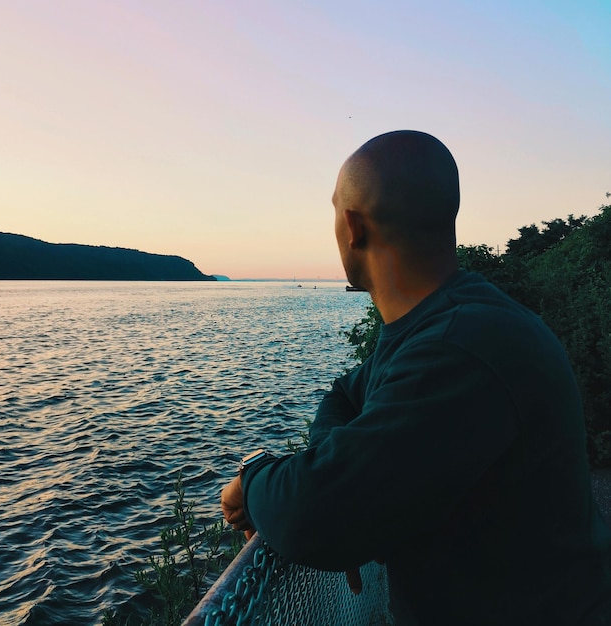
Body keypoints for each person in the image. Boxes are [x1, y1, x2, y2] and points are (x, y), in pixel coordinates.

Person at [221, 130, 611, 625]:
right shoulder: (441, 327)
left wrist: (252, 478)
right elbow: (345, 394)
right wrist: (344, 471)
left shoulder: (461, 347)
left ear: (352, 226)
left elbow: (315, 517)